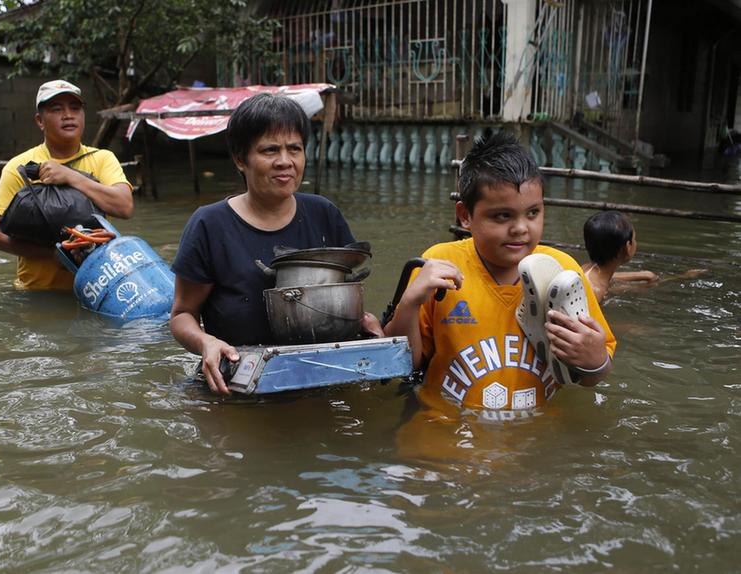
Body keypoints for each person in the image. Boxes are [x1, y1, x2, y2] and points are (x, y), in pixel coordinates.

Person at [384, 132, 616, 416]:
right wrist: (409, 303)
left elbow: (591, 377)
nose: (521, 228)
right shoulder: (439, 265)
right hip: (448, 429)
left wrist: (595, 361)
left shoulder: (562, 270)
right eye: (502, 216)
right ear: (465, 215)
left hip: (535, 432)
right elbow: (402, 366)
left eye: (533, 213)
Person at [170, 92, 378, 395]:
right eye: (270, 150)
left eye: (295, 149)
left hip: (320, 377)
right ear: (240, 159)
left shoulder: (324, 214)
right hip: (237, 387)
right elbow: (181, 315)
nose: (285, 162)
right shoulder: (210, 225)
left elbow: (344, 296)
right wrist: (206, 342)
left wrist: (366, 324)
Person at [0, 80, 134, 290]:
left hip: (95, 290)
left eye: (75, 108)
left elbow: (125, 207)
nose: (68, 115)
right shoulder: (19, 168)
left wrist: (70, 177)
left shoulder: (103, 159)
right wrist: (59, 255)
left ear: (83, 115)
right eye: (57, 109)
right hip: (37, 294)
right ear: (40, 121)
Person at [581, 210, 705, 302]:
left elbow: (611, 277)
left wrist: (643, 275)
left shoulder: (587, 269)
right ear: (628, 247)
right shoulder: (596, 293)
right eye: (634, 239)